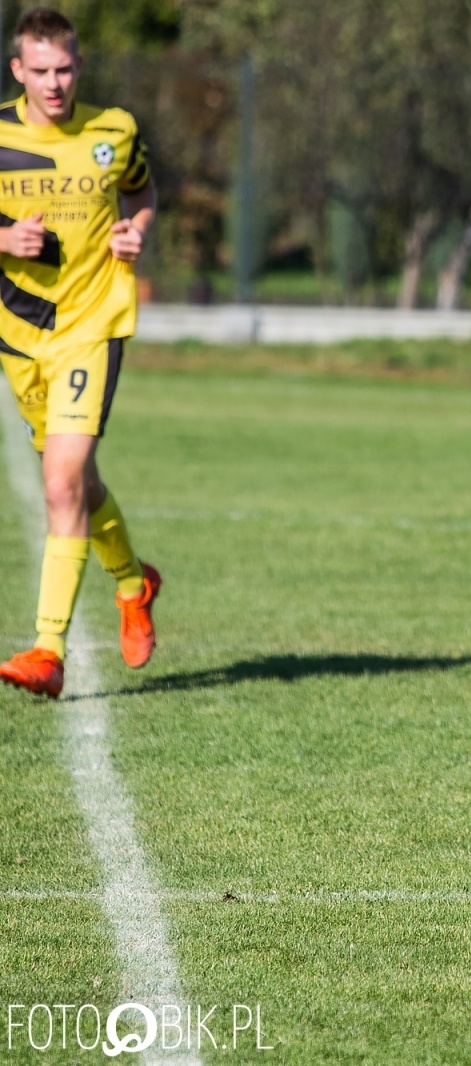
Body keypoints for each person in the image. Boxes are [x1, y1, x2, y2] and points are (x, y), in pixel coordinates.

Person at [0, 9, 160, 700]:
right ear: (18, 72)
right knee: (79, 484)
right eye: (41, 71)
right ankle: (134, 582)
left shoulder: (113, 131)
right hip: (19, 332)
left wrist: (137, 230)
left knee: (61, 482)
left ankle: (48, 649)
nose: (55, 83)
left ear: (79, 65)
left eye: (65, 68)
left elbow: (143, 191)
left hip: (93, 323)